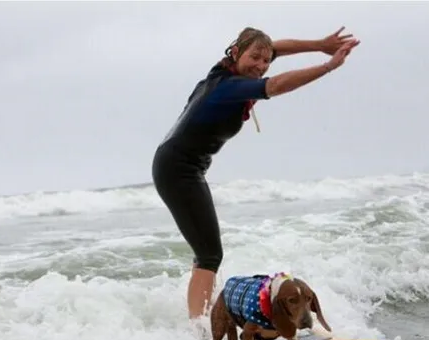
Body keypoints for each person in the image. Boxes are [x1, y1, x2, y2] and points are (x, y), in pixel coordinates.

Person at [152, 26, 360, 320]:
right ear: (236, 52)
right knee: (210, 255)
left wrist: (319, 44)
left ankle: (200, 319)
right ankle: (198, 331)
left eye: (265, 60)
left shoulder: (225, 69)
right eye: (255, 58)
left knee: (207, 253)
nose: (261, 66)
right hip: (178, 169)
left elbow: (276, 47)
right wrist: (327, 66)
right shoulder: (227, 87)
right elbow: (274, 86)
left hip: (178, 164)